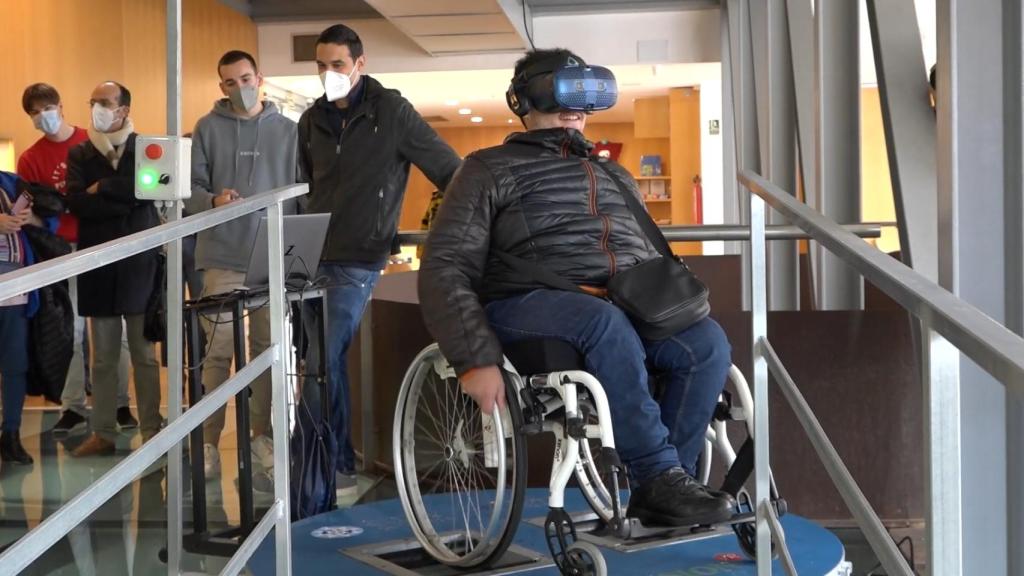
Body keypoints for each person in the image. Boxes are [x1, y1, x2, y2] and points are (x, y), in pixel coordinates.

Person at [419, 49, 735, 527]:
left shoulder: (614, 172)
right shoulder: (487, 169)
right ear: (523, 100)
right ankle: (658, 474)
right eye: (560, 91)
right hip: (523, 304)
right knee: (604, 324)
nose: (575, 107)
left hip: (618, 305)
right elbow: (445, 265)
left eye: (583, 95)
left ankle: (669, 483)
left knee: (705, 342)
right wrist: (475, 359)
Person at [297, 23, 461, 494]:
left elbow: (451, 171)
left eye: (338, 66)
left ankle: (309, 482)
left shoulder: (391, 113)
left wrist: (459, 231)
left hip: (359, 258)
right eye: (322, 66)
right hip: (311, 255)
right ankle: (341, 461)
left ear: (360, 65)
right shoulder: (312, 120)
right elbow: (307, 186)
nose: (329, 74)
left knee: (320, 364)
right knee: (321, 362)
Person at [186, 50, 298, 477]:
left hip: (271, 257)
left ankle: (261, 439)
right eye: (230, 82)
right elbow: (188, 187)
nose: (240, 88)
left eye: (246, 78)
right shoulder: (206, 128)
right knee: (216, 353)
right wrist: (212, 200)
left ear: (260, 78)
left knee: (267, 352)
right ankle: (209, 443)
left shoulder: (289, 131)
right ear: (221, 87)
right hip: (220, 255)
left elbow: (303, 191)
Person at [17, 82, 137, 436]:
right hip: (60, 250)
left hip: (100, 244)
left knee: (117, 333)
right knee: (69, 333)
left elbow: (115, 193)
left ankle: (119, 403)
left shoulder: (91, 142)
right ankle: (72, 406)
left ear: (61, 105)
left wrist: (83, 199)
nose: (43, 116)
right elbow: (36, 210)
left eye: (47, 107)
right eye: (35, 112)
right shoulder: (30, 158)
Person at [66, 81, 162, 457]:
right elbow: (76, 202)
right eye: (93, 102)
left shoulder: (148, 148)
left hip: (140, 263)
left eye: (105, 102)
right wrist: (124, 194)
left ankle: (153, 430)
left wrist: (103, 186)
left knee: (144, 354)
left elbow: (150, 191)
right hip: (98, 263)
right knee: (103, 356)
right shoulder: (79, 152)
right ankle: (103, 431)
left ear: (123, 109)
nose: (97, 108)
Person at [0, 171, 53, 465]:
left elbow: (50, 222)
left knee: (14, 364)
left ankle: (11, 434)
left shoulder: (11, 182)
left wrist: (28, 219)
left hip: (15, 289)